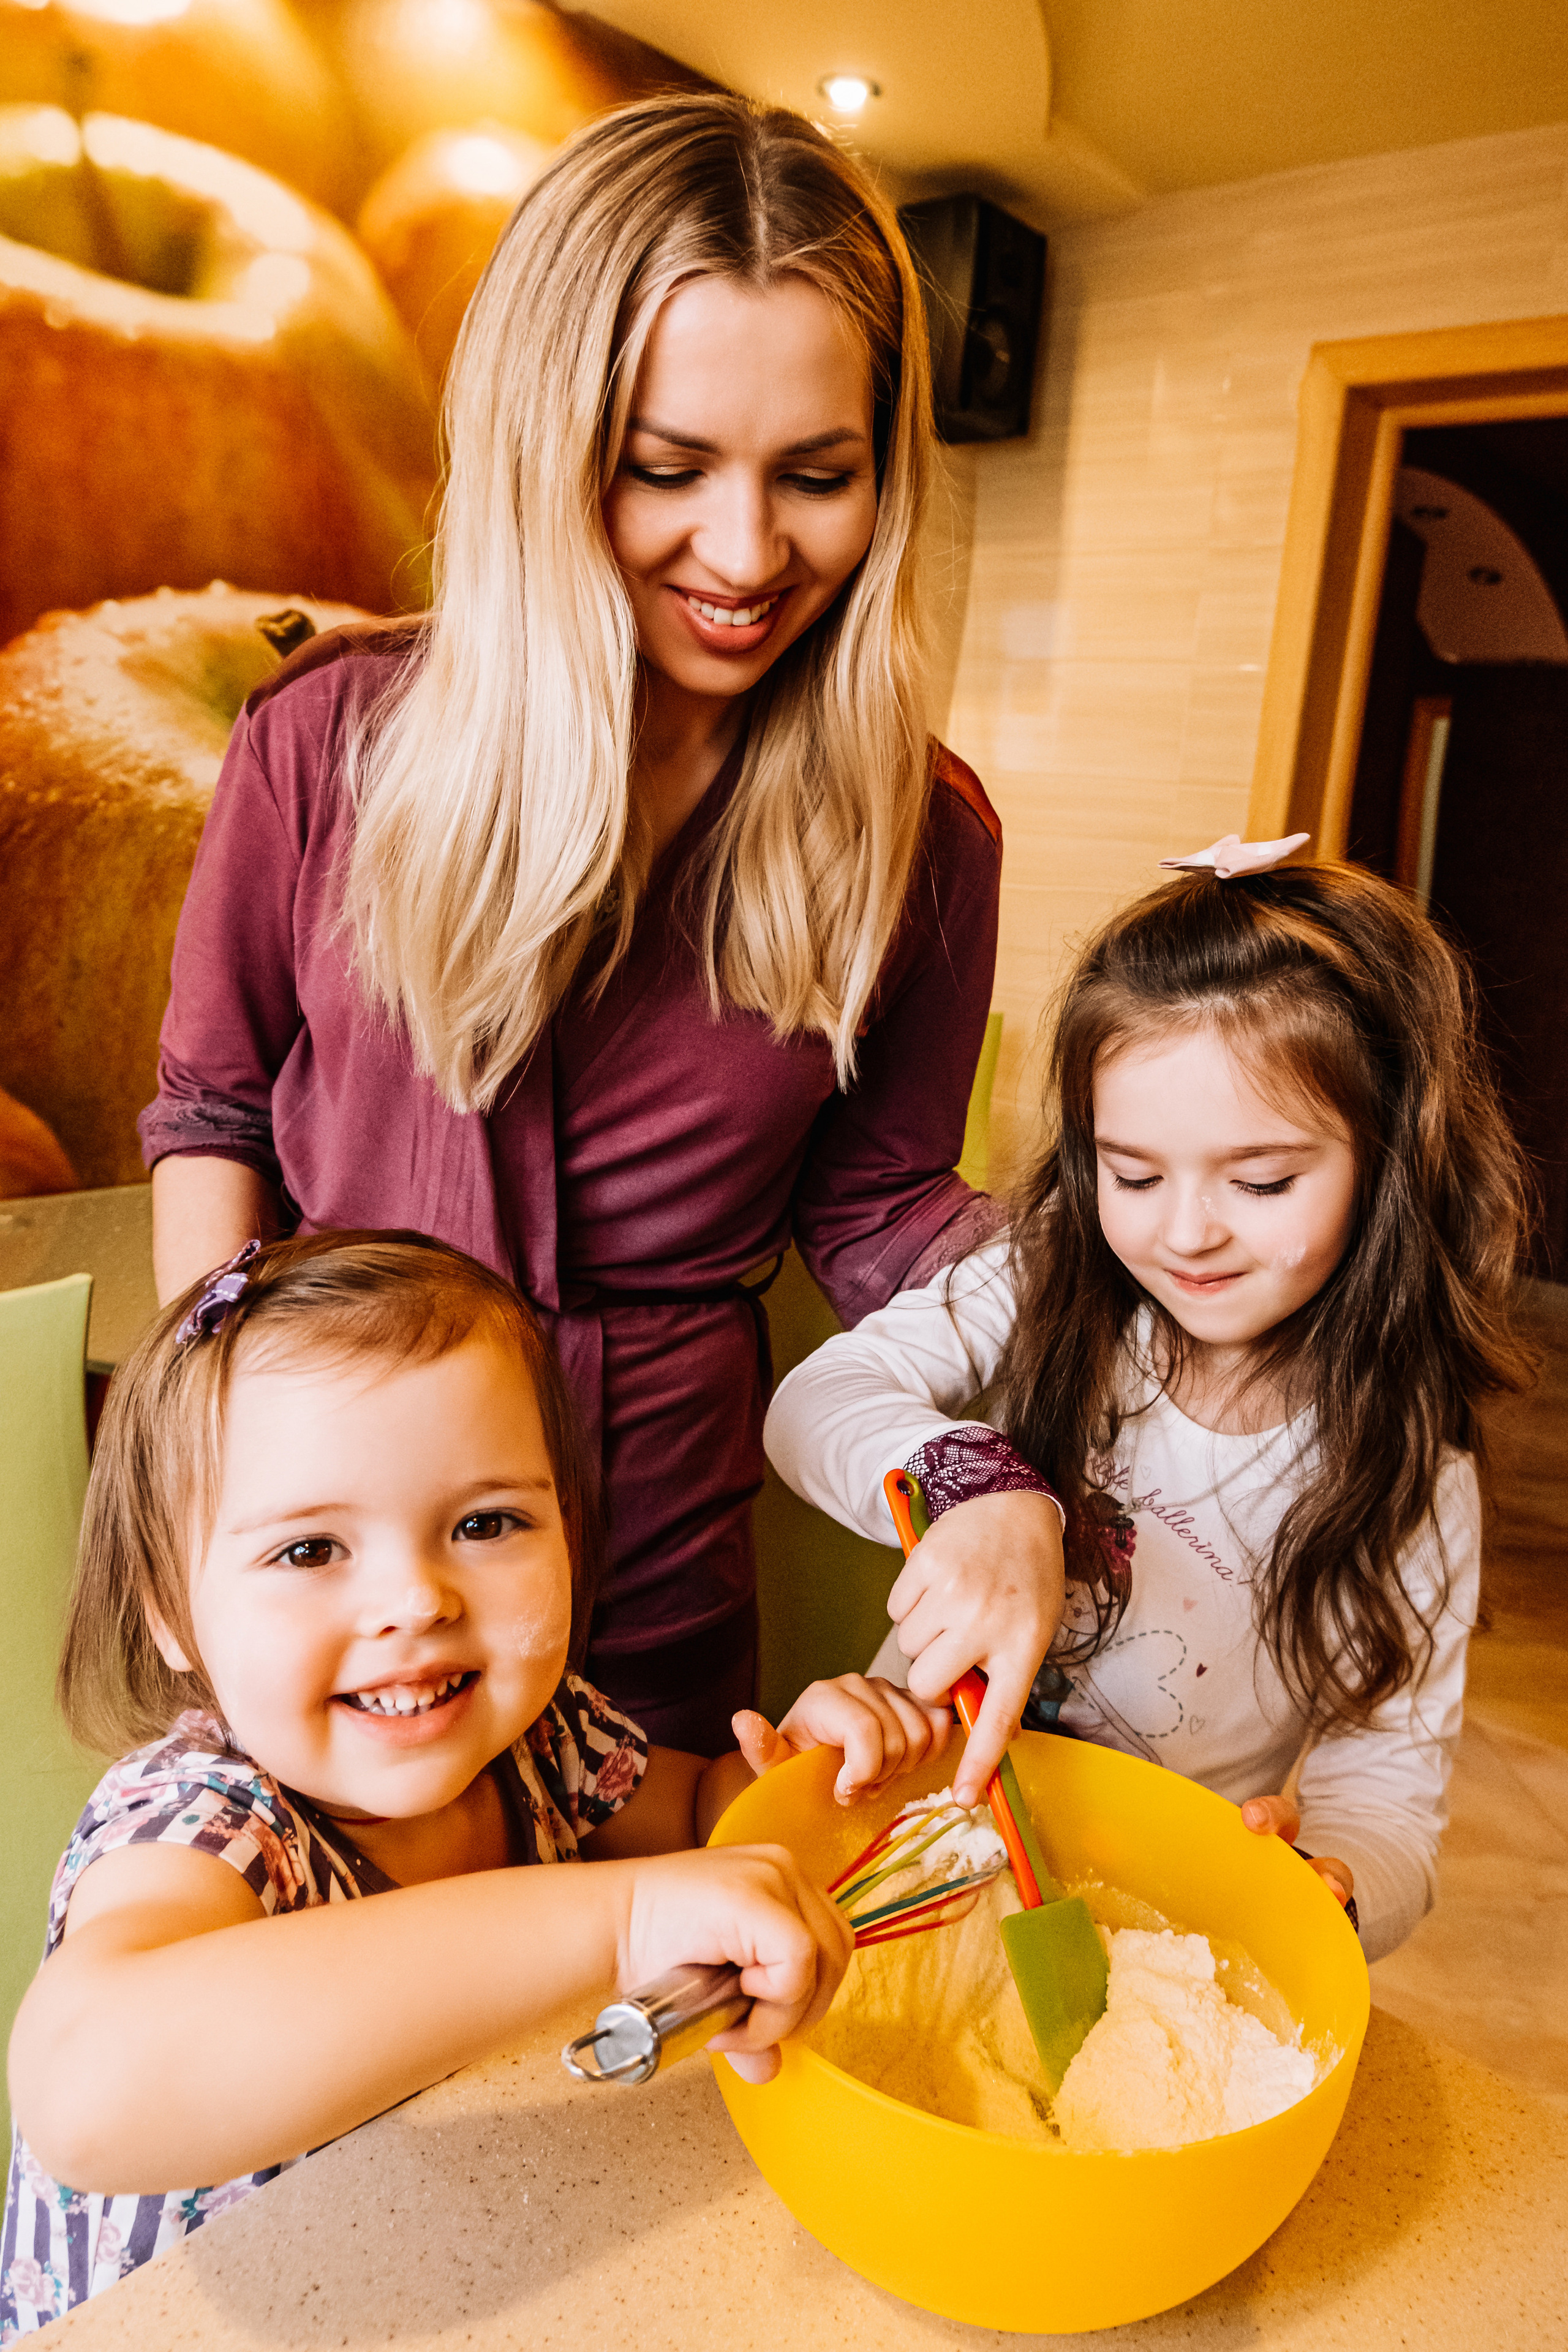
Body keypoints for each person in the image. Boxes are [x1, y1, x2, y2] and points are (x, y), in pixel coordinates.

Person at [139, 92, 1038, 1775]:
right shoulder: (325, 747)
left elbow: (881, 1205)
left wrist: (1086, 1361)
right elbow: (214, 1115)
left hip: (653, 1575)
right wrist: (220, 1482)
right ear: (549, 446)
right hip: (343, 1561)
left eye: (819, 476)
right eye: (666, 468)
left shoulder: (924, 841)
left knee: (634, 1994)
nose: (748, 553)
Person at [2, 1232, 951, 2337]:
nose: (416, 1599)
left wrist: (808, 1776)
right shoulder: (199, 1822)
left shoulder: (538, 1738)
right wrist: (625, 1918)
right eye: (311, 1551)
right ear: (170, 1609)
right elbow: (90, 2087)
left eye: (485, 1524)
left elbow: (698, 1816)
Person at [764, 851, 1534, 1956]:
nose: (1185, 1234)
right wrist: (980, 1486)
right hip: (909, 1849)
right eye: (1133, 1175)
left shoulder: (1413, 1477)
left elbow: (1387, 1790)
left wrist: (1335, 1887)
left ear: (1394, 1159)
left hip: (1149, 1932)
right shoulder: (1044, 1281)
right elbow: (816, 1403)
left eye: (1260, 1183)